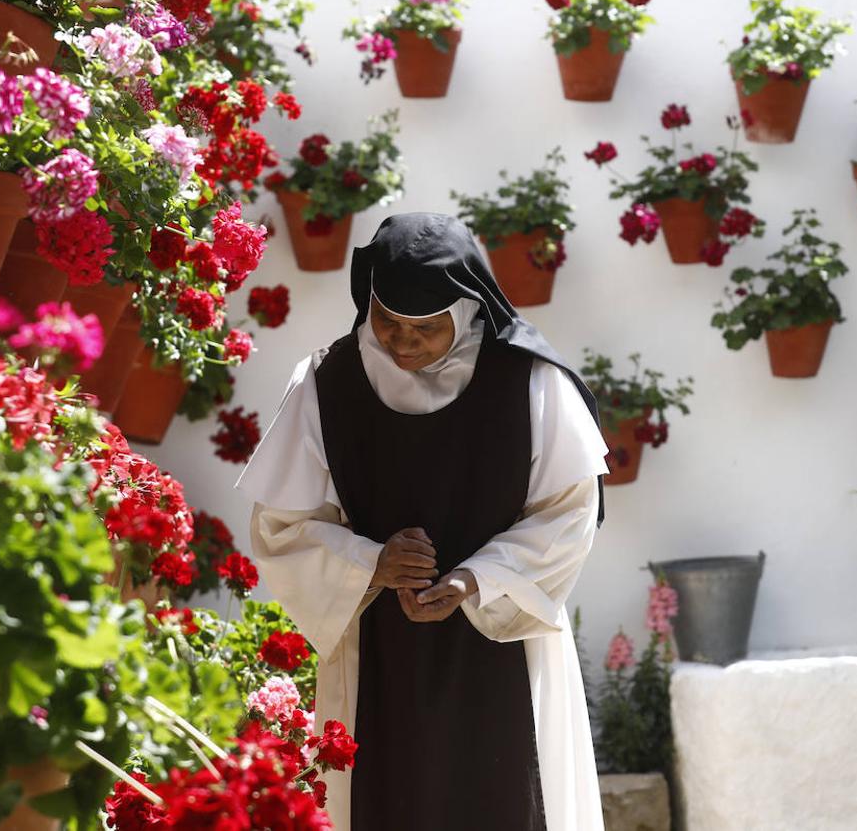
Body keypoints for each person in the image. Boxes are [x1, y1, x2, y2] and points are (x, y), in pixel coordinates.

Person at [236, 212, 608, 831]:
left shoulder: (532, 382)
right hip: (375, 645)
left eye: (426, 329)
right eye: (388, 322)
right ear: (368, 301)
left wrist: (474, 580)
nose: (402, 343)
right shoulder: (328, 381)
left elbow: (570, 513)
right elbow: (281, 526)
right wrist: (370, 562)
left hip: (504, 635)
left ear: (466, 311)